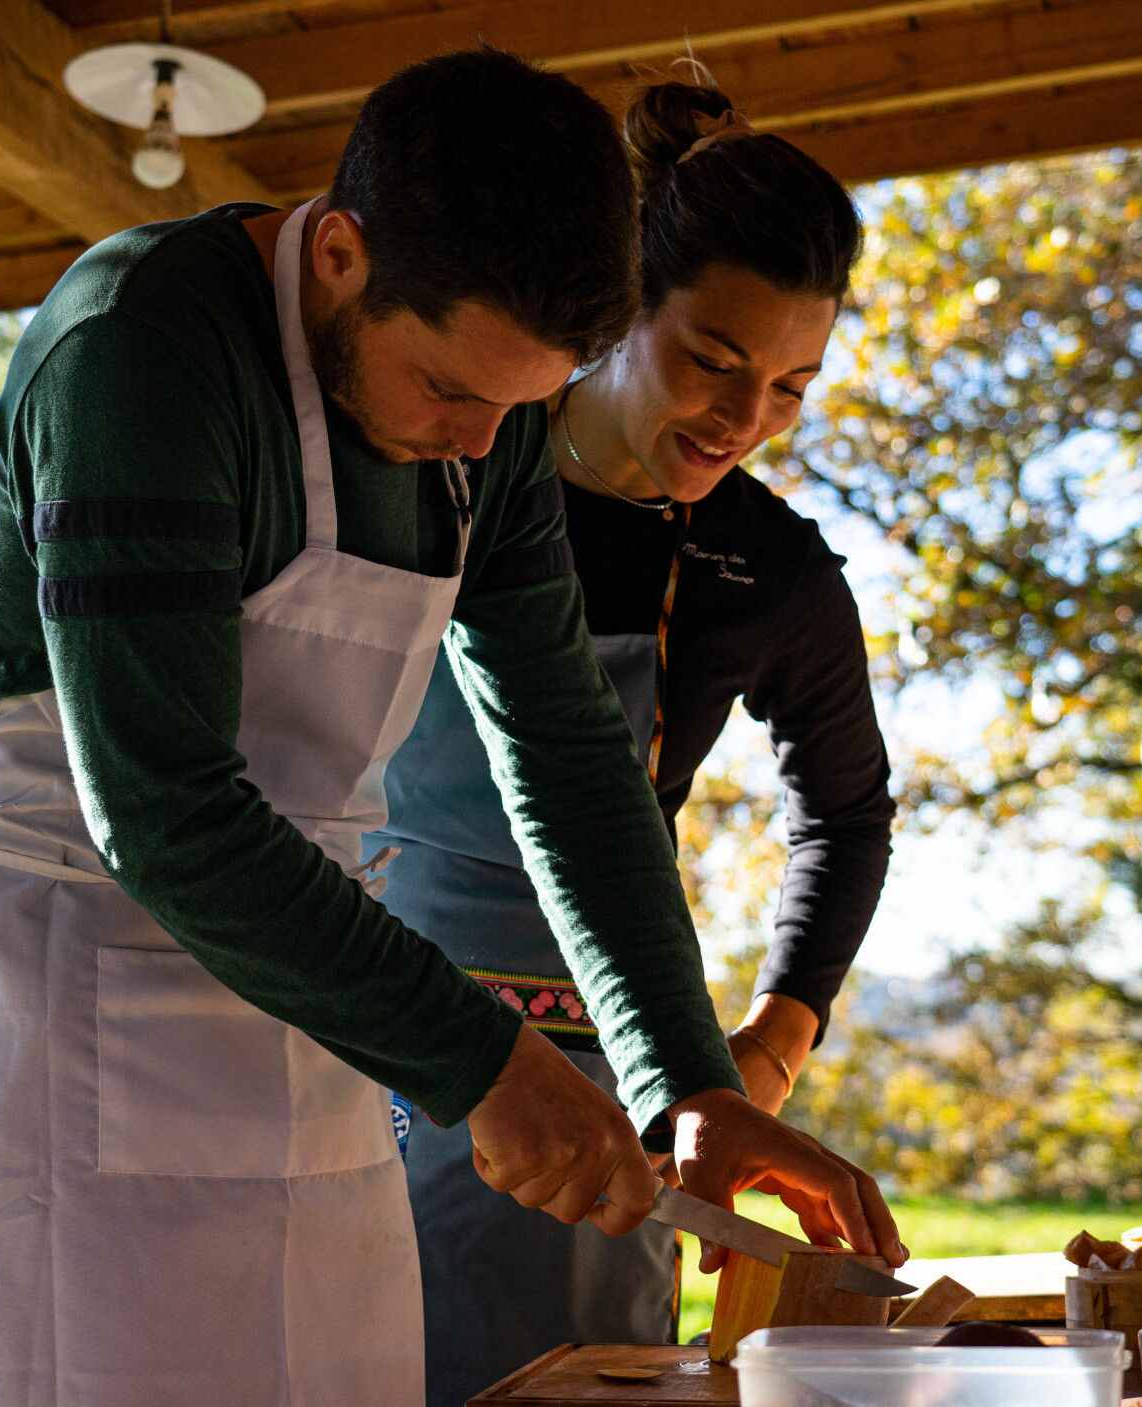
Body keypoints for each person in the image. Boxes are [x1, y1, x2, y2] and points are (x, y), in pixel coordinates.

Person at [0, 48, 903, 1407]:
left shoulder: (495, 422)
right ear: (342, 255)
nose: (480, 445)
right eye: (450, 392)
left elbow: (570, 757)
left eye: (518, 408)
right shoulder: (141, 348)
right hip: (67, 1022)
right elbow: (166, 809)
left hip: (315, 1055)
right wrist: (481, 1060)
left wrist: (687, 1080)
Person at [366, 70, 897, 1406]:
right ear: (617, 311)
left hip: (604, 1083)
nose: (743, 417)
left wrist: (763, 1051)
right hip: (362, 1026)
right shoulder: (447, 447)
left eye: (789, 386)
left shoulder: (762, 569)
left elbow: (846, 812)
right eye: (713, 360)